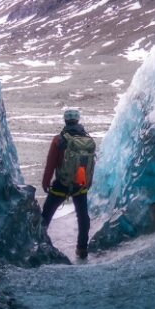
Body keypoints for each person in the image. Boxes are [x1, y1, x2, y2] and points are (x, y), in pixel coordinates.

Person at [41, 108, 95, 259]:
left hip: (61, 184)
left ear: (65, 120)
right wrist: (87, 182)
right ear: (78, 120)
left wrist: (46, 182)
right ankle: (82, 249)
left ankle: (39, 243)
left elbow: (50, 164)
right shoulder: (88, 139)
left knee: (46, 215)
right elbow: (91, 164)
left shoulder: (59, 139)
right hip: (80, 184)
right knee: (83, 216)